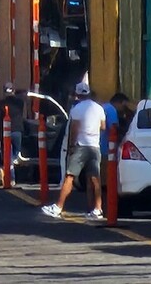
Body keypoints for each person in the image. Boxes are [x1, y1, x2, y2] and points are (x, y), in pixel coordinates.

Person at [42, 82, 106, 220]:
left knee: (69, 176)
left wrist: (71, 147)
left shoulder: (76, 109)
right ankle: (98, 209)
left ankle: (58, 207)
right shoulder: (99, 108)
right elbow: (103, 126)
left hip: (80, 147)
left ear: (77, 94)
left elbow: (74, 129)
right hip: (95, 147)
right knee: (95, 179)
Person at [0, 82, 25, 185]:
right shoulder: (19, 103)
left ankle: (9, 176)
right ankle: (10, 175)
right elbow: (23, 96)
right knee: (16, 154)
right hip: (17, 131)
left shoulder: (1, 104)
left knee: (8, 156)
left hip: (5, 132)